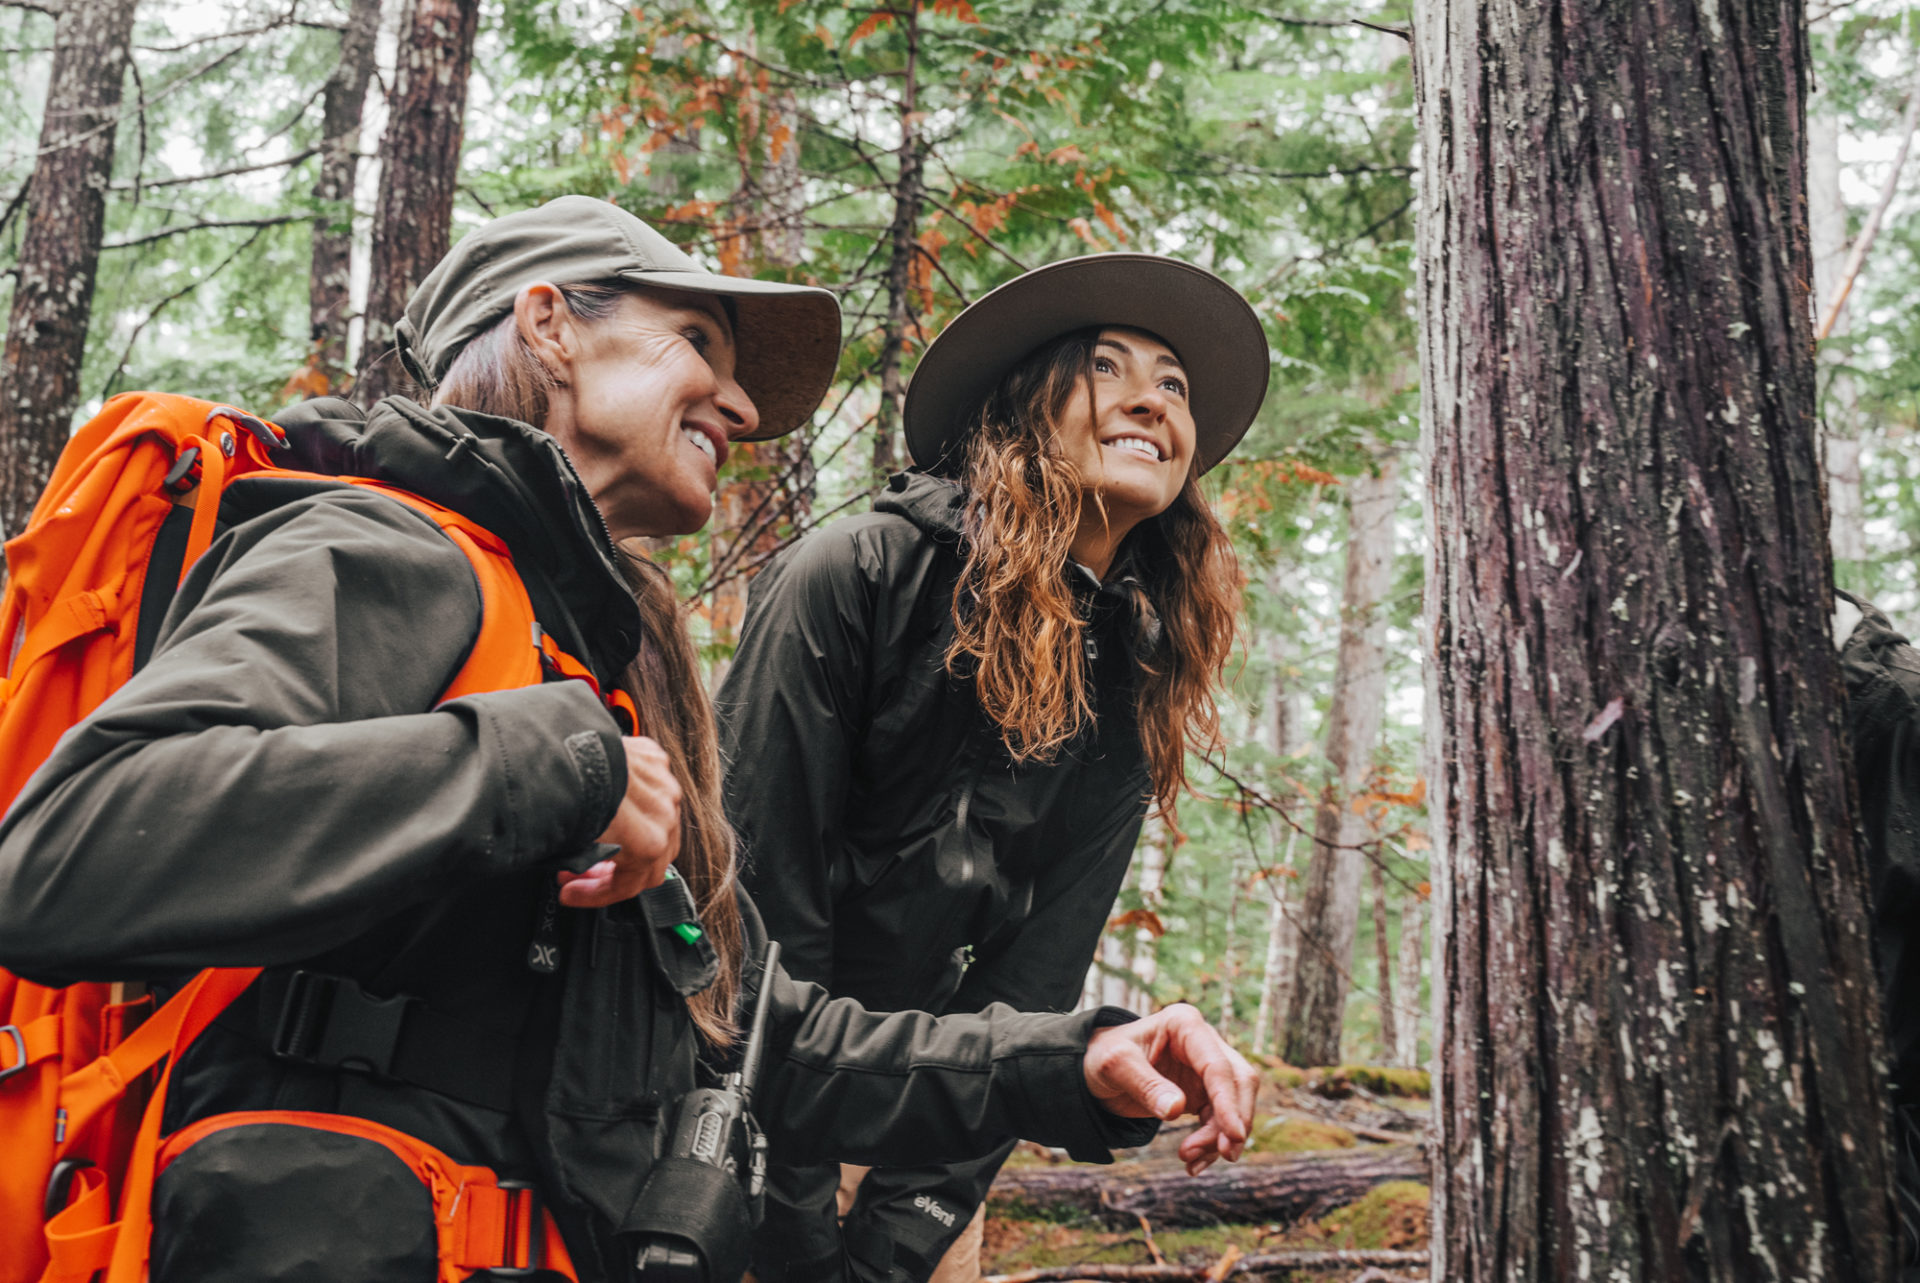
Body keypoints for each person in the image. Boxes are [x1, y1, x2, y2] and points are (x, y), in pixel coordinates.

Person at [0, 199, 1259, 1283]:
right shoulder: (385, 554)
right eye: (697, 344)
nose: (741, 399)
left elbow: (764, 1032)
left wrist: (1077, 1055)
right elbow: (68, 849)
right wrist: (556, 759)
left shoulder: (602, 663)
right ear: (549, 326)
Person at [716, 253, 1268, 1283]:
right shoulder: (853, 576)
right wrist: (794, 1235)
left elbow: (1037, 975)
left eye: (1175, 384)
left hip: (935, 1118)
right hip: (735, 1115)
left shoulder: (1133, 669)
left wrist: (903, 1230)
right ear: (1019, 406)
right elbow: (756, 928)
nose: (1152, 396)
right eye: (1108, 365)